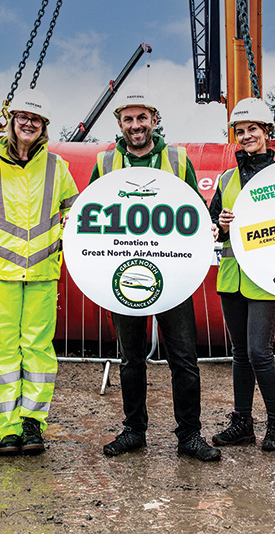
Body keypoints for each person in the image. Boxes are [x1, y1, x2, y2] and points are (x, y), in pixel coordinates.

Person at [92, 93, 220, 462]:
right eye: (129, 119)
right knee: (131, 359)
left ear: (154, 118)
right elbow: (92, 217)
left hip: (173, 273)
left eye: (142, 117)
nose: (136, 125)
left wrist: (208, 229)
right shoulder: (105, 162)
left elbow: (195, 210)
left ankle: (190, 437)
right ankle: (134, 432)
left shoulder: (177, 160)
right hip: (123, 275)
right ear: (119, 123)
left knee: (183, 358)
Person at [0, 88, 78, 456]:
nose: (28, 124)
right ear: (11, 122)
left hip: (42, 271)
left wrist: (65, 243)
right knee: (0, 349)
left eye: (35, 119)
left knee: (37, 348)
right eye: (23, 118)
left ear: (44, 126)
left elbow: (78, 213)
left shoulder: (57, 167)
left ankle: (33, 423)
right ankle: (8, 427)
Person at [208, 97, 275, 452]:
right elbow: (211, 226)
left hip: (267, 278)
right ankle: (242, 423)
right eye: (240, 131)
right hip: (232, 275)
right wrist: (219, 224)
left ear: (267, 132)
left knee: (259, 352)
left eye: (252, 129)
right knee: (241, 352)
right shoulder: (226, 178)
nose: (245, 136)